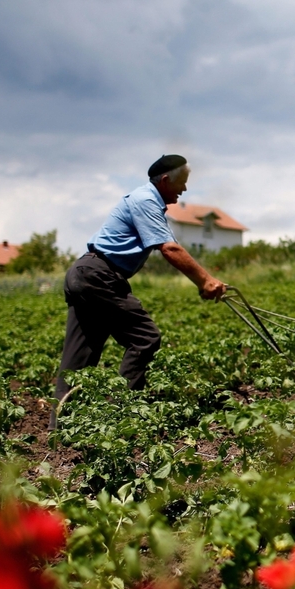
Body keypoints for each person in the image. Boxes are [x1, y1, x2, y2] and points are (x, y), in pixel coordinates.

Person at [52, 154, 227, 416]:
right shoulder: (146, 200)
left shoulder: (144, 200)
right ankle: (123, 413)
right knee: (146, 338)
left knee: (78, 358)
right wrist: (206, 280)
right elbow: (169, 248)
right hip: (99, 275)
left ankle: (61, 430)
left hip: (84, 273)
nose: (185, 189)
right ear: (165, 180)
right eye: (182, 182)